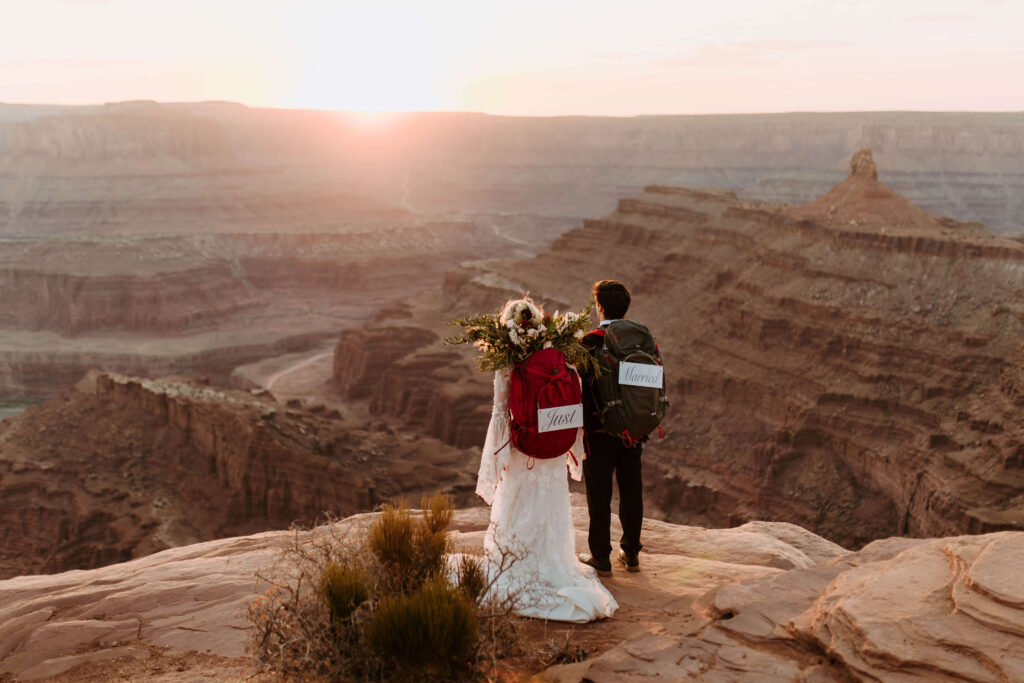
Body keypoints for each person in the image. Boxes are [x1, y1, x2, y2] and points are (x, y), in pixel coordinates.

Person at [474, 298, 617, 622]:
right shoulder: (558, 353)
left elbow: (500, 411)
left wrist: (494, 459)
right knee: (551, 505)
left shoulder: (509, 358)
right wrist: (573, 447)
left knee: (518, 505)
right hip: (554, 449)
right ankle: (554, 564)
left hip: (525, 446)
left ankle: (515, 564)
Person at [579, 280, 645, 576]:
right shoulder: (642, 339)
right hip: (633, 426)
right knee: (631, 488)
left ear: (600, 307)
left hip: (599, 428)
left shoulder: (591, 340)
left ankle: (601, 557)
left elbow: (578, 383)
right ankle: (631, 553)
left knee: (600, 492)